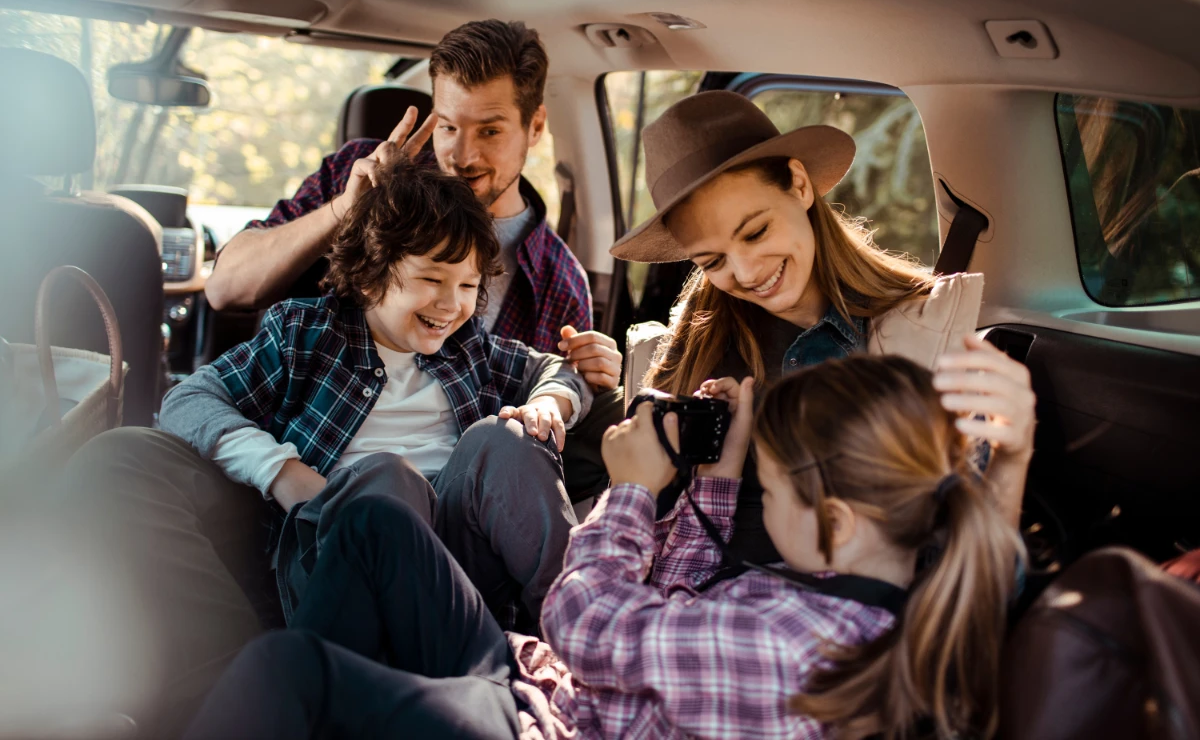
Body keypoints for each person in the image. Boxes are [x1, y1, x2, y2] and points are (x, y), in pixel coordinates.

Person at [181, 354, 1028, 740]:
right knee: (376, 523)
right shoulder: (877, 586)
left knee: (285, 668)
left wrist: (632, 492)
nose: (764, 505)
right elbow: (679, 612)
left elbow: (584, 624)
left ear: (837, 521)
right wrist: (722, 477)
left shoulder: (784, 649)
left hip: (553, 723)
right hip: (558, 690)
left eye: (772, 491)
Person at [64, 160, 590, 737]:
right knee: (386, 480)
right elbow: (189, 400)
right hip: (340, 557)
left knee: (505, 439)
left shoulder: (470, 349)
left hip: (453, 577)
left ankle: (587, 635)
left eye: (468, 286)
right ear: (370, 275)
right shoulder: (307, 334)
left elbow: (557, 370)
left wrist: (550, 402)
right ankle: (318, 692)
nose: (452, 304)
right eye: (431, 279)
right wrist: (284, 473)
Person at [205, 18, 623, 502]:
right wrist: (344, 210)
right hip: (311, 477)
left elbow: (543, 436)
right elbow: (224, 288)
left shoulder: (559, 278)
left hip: (457, 506)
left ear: (535, 127)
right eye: (448, 126)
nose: (462, 155)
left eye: (489, 131)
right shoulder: (363, 176)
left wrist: (584, 376)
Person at [613, 90, 1036, 565]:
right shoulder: (696, 345)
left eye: (756, 232)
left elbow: (974, 571)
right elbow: (647, 536)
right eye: (713, 262)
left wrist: (1011, 457)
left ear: (799, 185)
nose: (747, 273)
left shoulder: (925, 333)